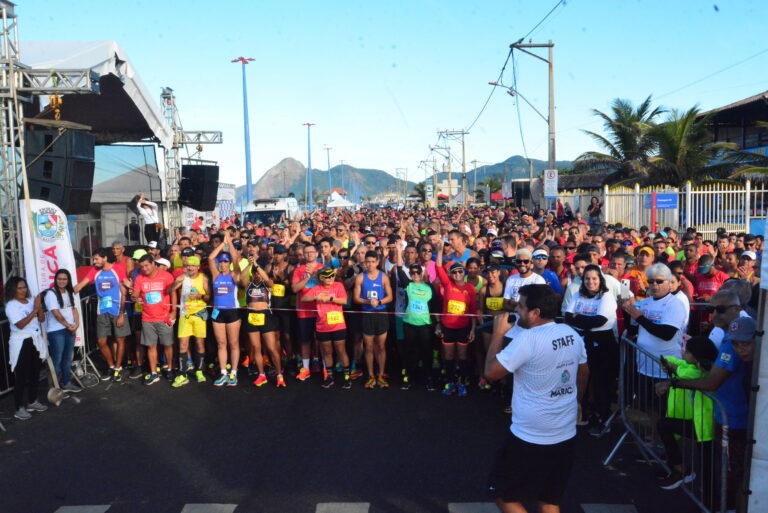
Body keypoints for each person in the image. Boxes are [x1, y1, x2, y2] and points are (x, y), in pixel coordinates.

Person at [485, 284, 588, 513]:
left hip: (529, 435)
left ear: (535, 313)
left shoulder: (528, 339)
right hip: (565, 433)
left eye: (521, 306)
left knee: (503, 495)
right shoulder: (571, 333)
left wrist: (498, 334)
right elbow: (583, 372)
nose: (516, 310)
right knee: (549, 499)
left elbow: (491, 373)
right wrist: (578, 401)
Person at [655, 316, 755, 512]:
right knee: (718, 471)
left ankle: (718, 504)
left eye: (746, 343)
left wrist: (672, 380)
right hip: (714, 425)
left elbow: (704, 380)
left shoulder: (702, 372)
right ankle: (712, 502)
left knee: (730, 474)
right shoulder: (703, 367)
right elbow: (684, 367)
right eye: (736, 344)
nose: (740, 349)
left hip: (721, 427)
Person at [655, 336, 718, 492]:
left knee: (708, 465)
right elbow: (681, 364)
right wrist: (669, 363)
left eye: (687, 351)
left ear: (697, 357)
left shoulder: (699, 372)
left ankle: (710, 497)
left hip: (706, 426)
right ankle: (680, 470)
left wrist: (671, 367)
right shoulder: (696, 366)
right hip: (699, 422)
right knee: (664, 425)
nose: (683, 353)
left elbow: (685, 372)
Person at [621, 263, 687, 413]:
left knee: (664, 412)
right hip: (644, 365)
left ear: (669, 282)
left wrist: (640, 318)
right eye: (651, 281)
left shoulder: (675, 303)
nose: (654, 285)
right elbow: (633, 329)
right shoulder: (646, 302)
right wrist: (626, 310)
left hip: (665, 367)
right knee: (647, 410)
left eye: (659, 281)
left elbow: (667, 334)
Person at [564, 264, 617, 437]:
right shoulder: (578, 295)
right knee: (582, 379)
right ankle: (584, 413)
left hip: (603, 344)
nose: (590, 282)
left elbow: (599, 320)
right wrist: (584, 320)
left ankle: (604, 419)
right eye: (587, 278)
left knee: (601, 383)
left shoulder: (606, 296)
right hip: (582, 342)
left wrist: (578, 318)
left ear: (600, 279)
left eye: (594, 278)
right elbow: (567, 316)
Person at [75, 247, 131, 381]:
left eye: (96, 259)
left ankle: (118, 368)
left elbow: (126, 288)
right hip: (102, 311)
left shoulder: (117, 269)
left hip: (117, 310)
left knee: (120, 339)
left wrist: (121, 314)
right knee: (101, 341)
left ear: (105, 258)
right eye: (93, 259)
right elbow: (79, 286)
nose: (94, 262)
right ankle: (111, 366)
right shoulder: (94, 271)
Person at [435, 242, 477, 397]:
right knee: (449, 357)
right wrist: (439, 251)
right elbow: (438, 268)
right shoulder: (447, 284)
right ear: (451, 275)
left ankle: (461, 383)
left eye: (460, 271)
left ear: (463, 272)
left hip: (463, 327)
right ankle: (450, 382)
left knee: (463, 357)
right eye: (455, 272)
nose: (458, 274)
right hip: (448, 327)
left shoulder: (469, 288)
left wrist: (473, 329)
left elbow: (473, 311)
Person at [5, 277, 48, 421]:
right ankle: (18, 408)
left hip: (34, 341)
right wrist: (34, 310)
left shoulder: (30, 301)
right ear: (13, 289)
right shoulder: (11, 305)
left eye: (24, 287)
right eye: (19, 288)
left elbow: (41, 319)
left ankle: (32, 401)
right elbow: (20, 325)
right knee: (21, 376)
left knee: (35, 373)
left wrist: (39, 308)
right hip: (21, 342)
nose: (23, 290)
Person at [240, 251, 285, 387]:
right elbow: (241, 277)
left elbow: (267, 279)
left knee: (271, 347)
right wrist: (249, 265)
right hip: (251, 316)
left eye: (258, 273)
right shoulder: (248, 284)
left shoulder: (267, 284)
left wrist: (256, 265)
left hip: (265, 316)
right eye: (255, 274)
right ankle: (261, 375)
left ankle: (279, 375)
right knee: (256, 347)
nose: (257, 275)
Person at [302, 266, 351, 388]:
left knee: (341, 350)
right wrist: (316, 297)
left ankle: (347, 378)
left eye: (332, 275)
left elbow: (344, 301)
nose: (330, 278)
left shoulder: (338, 286)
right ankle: (330, 377)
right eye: (327, 277)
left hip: (338, 325)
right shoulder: (317, 288)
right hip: (322, 326)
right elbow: (303, 298)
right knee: (327, 352)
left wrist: (331, 298)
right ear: (321, 278)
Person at [131, 254, 176, 385]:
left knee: (167, 345)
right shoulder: (139, 278)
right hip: (147, 318)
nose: (144, 269)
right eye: (142, 266)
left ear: (153, 264)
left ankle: (170, 369)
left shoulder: (166, 276)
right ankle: (154, 373)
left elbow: (173, 293)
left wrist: (174, 311)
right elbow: (135, 294)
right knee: (151, 346)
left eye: (146, 265)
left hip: (164, 317)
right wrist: (134, 297)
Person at [353, 249, 393, 388]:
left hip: (381, 314)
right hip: (367, 314)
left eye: (372, 262)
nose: (370, 264)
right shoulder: (360, 277)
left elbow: (390, 296)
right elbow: (356, 298)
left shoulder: (383, 277)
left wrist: (379, 302)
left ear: (377, 262)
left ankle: (380, 375)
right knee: (369, 347)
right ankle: (371, 376)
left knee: (381, 346)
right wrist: (368, 302)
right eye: (367, 262)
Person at [208, 232, 242, 387]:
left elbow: (235, 258)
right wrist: (223, 243)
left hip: (232, 311)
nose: (223, 264)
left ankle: (233, 373)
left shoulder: (234, 275)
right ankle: (223, 373)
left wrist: (230, 243)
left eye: (225, 262)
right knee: (221, 343)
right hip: (218, 312)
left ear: (229, 264)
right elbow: (210, 258)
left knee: (233, 343)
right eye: (221, 262)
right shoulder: (216, 275)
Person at [170, 255, 209, 386]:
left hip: (199, 314)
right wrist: (176, 282)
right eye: (188, 266)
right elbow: (170, 290)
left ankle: (200, 371)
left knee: (199, 343)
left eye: (193, 265)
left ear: (198, 267)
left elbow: (209, 297)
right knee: (182, 345)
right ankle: (182, 374)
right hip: (184, 315)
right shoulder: (183, 277)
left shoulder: (203, 278)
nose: (190, 268)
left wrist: (200, 295)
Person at [44, 269, 81, 393]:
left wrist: (76, 324)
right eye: (59, 279)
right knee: (57, 360)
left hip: (69, 329)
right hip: (57, 331)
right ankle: (54, 389)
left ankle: (66, 382)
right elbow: (56, 314)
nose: (62, 281)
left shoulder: (69, 292)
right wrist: (68, 325)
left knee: (67, 359)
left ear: (68, 280)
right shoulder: (51, 294)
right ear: (56, 280)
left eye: (64, 279)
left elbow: (74, 309)